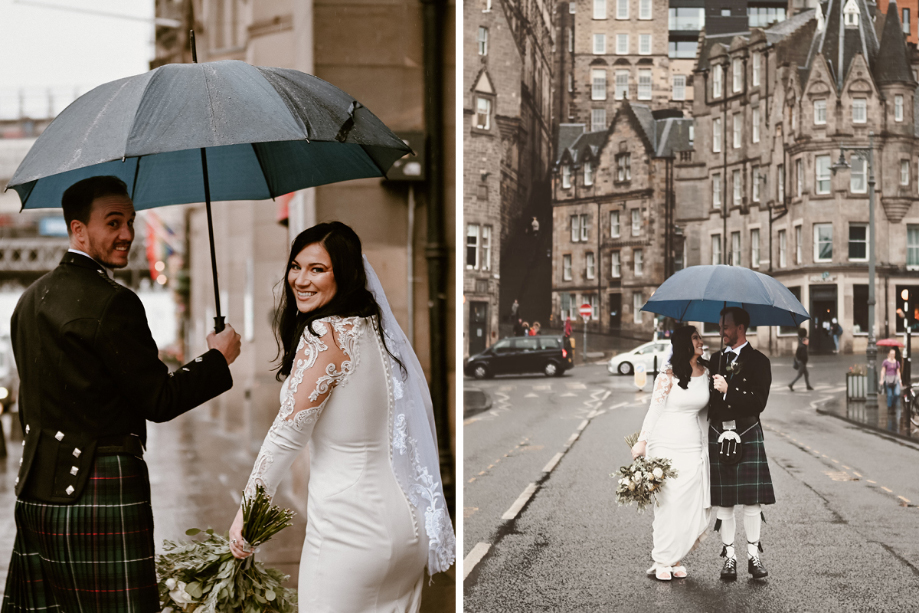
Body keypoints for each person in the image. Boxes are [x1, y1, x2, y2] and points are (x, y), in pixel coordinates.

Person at [3, 176, 241, 611]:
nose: (128, 234)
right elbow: (159, 400)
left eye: (130, 221)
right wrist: (216, 359)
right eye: (113, 223)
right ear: (78, 230)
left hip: (36, 494)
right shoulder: (114, 302)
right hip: (100, 488)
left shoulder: (29, 301)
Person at [228, 222, 455, 610]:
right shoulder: (377, 331)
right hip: (407, 530)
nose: (300, 279)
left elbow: (287, 436)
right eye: (296, 266)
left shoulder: (325, 336)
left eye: (318, 269)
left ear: (346, 274)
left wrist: (247, 514)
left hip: (351, 534)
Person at [631, 326, 712, 581]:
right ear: (684, 344)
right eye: (696, 338)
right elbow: (654, 411)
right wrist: (642, 441)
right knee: (668, 504)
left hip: (693, 446)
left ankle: (676, 557)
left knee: (688, 503)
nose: (701, 341)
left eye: (700, 337)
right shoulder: (667, 376)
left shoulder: (708, 373)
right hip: (665, 444)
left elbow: (708, 412)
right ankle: (661, 559)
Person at [709, 306, 775, 580]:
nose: (721, 331)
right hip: (718, 434)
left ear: (740, 328)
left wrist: (729, 390)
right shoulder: (714, 360)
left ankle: (753, 556)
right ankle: (729, 558)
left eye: (725, 326)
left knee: (751, 501)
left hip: (747, 433)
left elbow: (759, 402)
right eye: (720, 325)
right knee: (724, 502)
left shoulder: (759, 361)